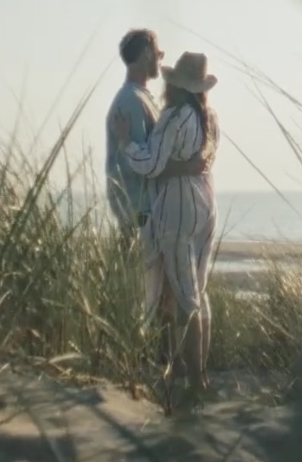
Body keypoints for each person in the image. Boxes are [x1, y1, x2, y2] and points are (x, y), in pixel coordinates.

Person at [112, 50, 219, 414]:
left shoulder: (174, 115)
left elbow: (151, 163)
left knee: (185, 294)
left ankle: (195, 380)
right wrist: (185, 165)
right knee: (198, 290)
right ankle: (200, 375)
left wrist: (127, 143)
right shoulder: (208, 116)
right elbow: (206, 159)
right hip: (206, 201)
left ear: (174, 85)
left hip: (178, 206)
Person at [105, 29, 163, 241]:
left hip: (142, 206)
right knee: (137, 268)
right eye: (158, 53)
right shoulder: (132, 101)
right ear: (147, 54)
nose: (160, 58)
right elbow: (139, 160)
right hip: (138, 207)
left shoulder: (141, 97)